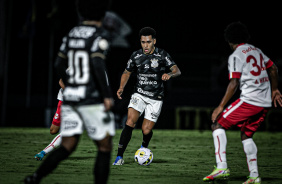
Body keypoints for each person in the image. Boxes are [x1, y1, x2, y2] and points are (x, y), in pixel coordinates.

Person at [24, 0, 115, 183]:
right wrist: (106, 95)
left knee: (67, 145)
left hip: (71, 98)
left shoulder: (71, 34)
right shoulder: (99, 35)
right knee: (104, 147)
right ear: (102, 15)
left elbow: (58, 63)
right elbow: (97, 63)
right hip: (90, 99)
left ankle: (35, 177)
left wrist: (68, 84)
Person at [203, 22, 282, 184]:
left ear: (229, 40)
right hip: (265, 102)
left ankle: (222, 167)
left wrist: (220, 106)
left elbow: (234, 83)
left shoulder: (236, 55)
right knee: (246, 135)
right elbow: (273, 69)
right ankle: (254, 176)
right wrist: (274, 90)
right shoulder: (256, 50)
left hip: (250, 101)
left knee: (217, 125)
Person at [112, 27, 181, 165]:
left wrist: (170, 74)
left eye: (148, 42)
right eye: (143, 42)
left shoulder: (162, 55)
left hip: (156, 98)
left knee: (146, 129)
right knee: (130, 122)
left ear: (154, 41)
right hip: (139, 94)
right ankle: (119, 157)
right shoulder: (136, 56)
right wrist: (121, 87)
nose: (145, 45)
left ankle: (144, 147)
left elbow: (176, 70)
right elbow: (127, 72)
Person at [34, 79, 64, 161]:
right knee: (53, 130)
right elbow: (61, 81)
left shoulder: (99, 71)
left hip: (80, 105)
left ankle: (43, 152)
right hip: (64, 101)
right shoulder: (74, 67)